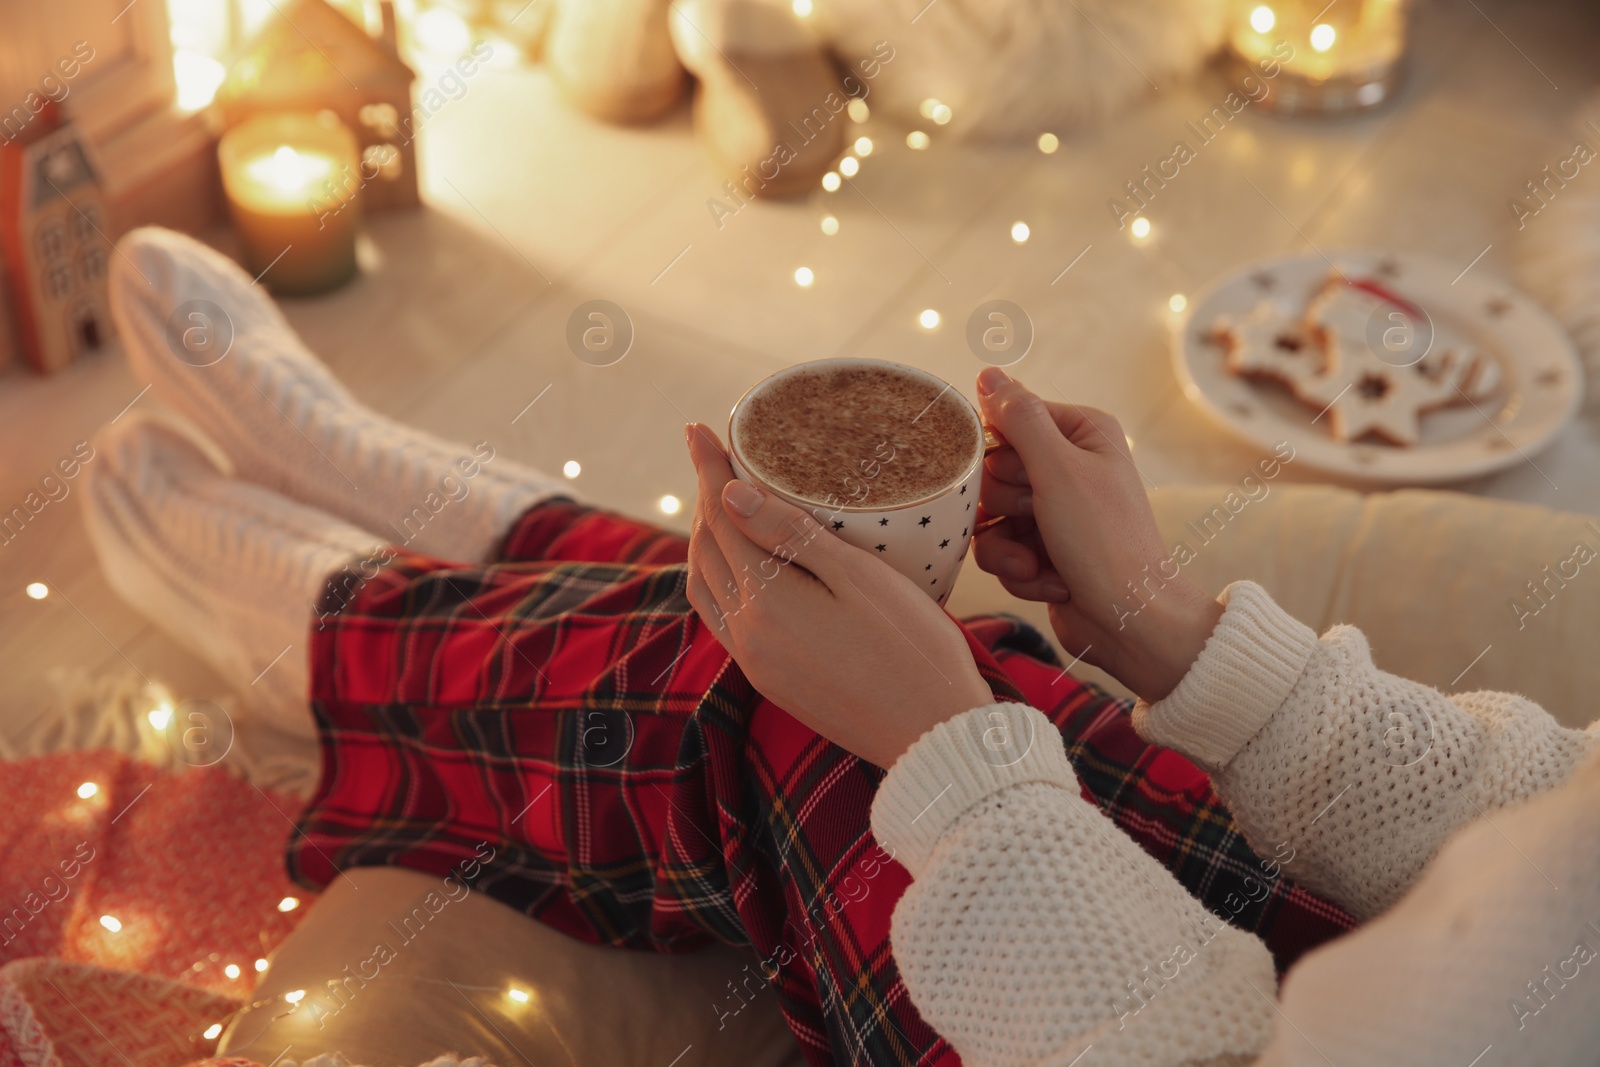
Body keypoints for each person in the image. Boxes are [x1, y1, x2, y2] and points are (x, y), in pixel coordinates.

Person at [84, 229, 1600, 1067]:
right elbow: (1550, 826)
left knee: (791, 711)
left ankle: (337, 613)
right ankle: (373, 547)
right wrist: (1176, 634)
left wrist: (960, 771)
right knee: (961, 671)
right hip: (1334, 977)